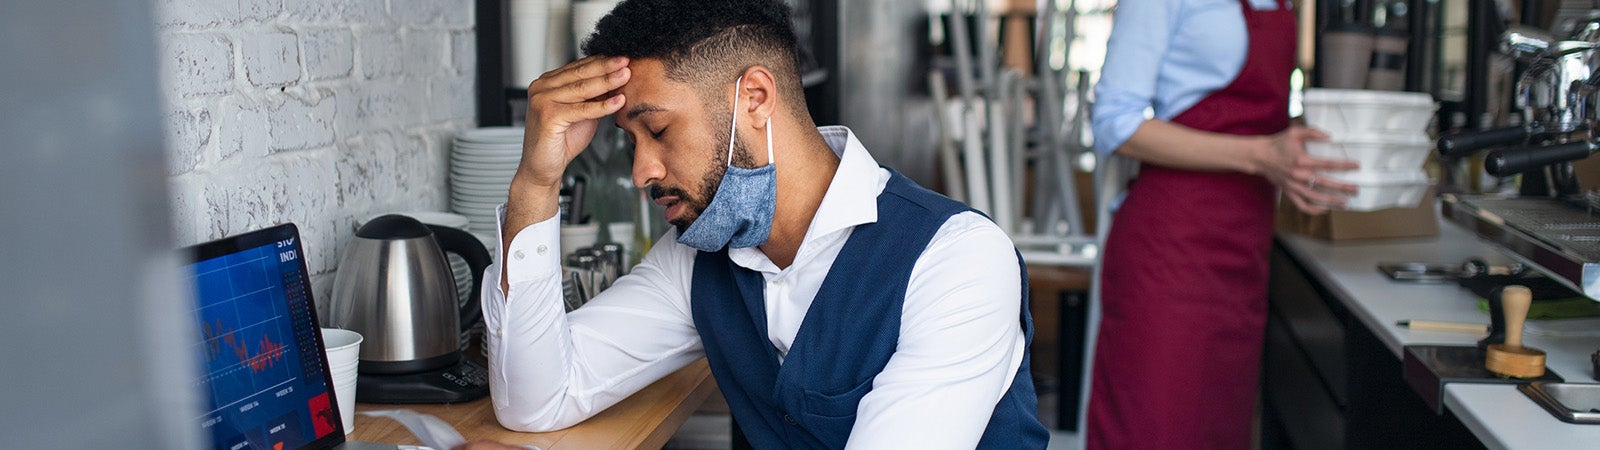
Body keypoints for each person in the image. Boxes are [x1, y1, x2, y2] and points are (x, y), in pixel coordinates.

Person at [483, 0, 1050, 448]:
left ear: (754, 97)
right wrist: (535, 182)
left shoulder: (958, 260)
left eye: (657, 131)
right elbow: (537, 401)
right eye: (629, 141)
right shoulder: (696, 259)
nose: (641, 172)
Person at [1085, 0, 1359, 448]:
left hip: (1245, 249)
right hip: (1170, 252)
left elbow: (1260, 120)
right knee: (1153, 430)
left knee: (1217, 432)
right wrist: (1262, 155)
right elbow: (1115, 123)